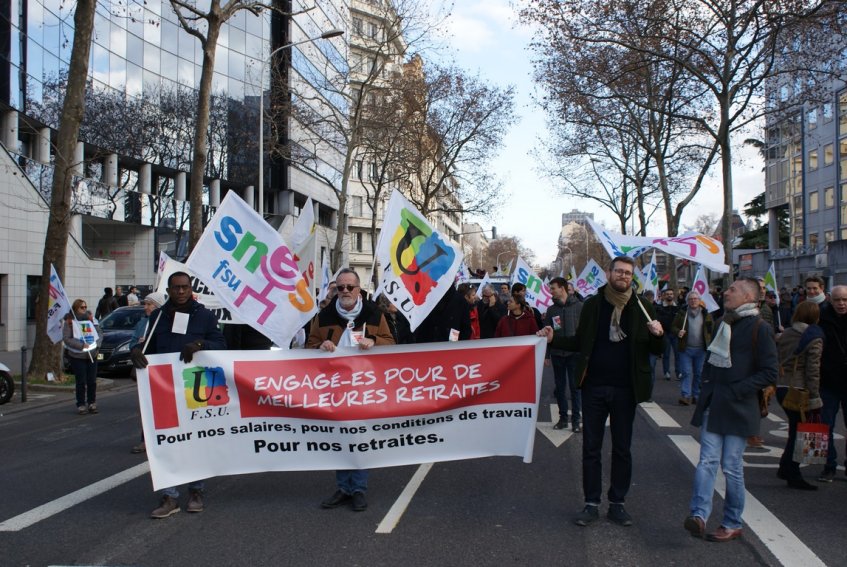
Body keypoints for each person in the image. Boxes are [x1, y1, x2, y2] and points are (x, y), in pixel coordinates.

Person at [539, 256, 665, 527]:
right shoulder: (594, 305)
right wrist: (553, 339)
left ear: (632, 277)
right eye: (619, 271)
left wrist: (658, 336)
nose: (623, 276)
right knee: (591, 448)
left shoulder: (642, 306)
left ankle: (617, 503)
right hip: (594, 387)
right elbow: (579, 342)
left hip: (625, 390)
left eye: (628, 273)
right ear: (608, 273)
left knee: (622, 448)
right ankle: (591, 503)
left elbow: (656, 351)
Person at [683, 277, 778, 543]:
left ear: (748, 297)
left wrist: (737, 390)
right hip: (715, 403)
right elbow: (713, 359)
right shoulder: (724, 322)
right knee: (707, 461)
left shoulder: (760, 328)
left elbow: (769, 372)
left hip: (739, 406)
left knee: (731, 466)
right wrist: (706, 382)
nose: (726, 292)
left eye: (732, 290)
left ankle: (732, 522)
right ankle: (699, 516)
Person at [130, 271, 227, 518]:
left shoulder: (204, 315)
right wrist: (136, 351)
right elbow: (147, 347)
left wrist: (200, 345)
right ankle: (169, 496)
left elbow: (221, 345)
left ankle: (196, 491)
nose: (181, 291)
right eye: (176, 288)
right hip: (164, 389)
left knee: (196, 441)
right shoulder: (159, 317)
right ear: (170, 290)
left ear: (190, 288)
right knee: (166, 443)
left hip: (196, 386)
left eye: (184, 287)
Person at [307, 268, 394, 512]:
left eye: (349, 287)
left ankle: (358, 488)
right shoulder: (323, 316)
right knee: (340, 438)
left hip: (365, 387)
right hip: (334, 387)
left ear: (358, 290)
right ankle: (343, 486)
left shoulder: (374, 314)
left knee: (359, 437)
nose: (344, 291)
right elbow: (309, 345)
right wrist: (320, 346)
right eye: (340, 287)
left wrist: (375, 342)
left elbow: (392, 342)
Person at [776, 300, 824, 490]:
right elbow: (813, 371)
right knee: (799, 433)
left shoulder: (786, 333)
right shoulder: (814, 337)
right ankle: (792, 473)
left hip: (781, 386)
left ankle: (786, 468)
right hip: (799, 389)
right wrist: (815, 396)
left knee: (794, 430)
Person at [127, 291, 168, 454]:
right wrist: (138, 345)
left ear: (158, 306)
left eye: (149, 304)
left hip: (161, 370)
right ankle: (146, 440)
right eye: (145, 303)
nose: (146, 307)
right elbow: (131, 345)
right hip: (145, 370)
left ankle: (164, 437)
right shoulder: (142, 323)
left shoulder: (164, 322)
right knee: (145, 407)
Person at [817, 284, 847, 483]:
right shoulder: (822, 318)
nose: (841, 303)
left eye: (844, 299)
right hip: (828, 382)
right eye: (837, 299)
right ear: (830, 299)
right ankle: (829, 466)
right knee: (825, 426)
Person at [545, 277, 583, 432]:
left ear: (563, 288)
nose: (551, 291)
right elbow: (547, 333)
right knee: (560, 388)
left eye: (553, 288)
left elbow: (585, 332)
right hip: (557, 354)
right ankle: (563, 419)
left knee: (575, 388)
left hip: (575, 354)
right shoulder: (551, 310)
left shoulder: (580, 307)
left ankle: (576, 421)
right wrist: (547, 355)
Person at [672, 291, 715, 406]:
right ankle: (686, 395)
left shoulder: (706, 314)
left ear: (699, 300)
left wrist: (710, 343)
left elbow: (711, 330)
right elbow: (673, 327)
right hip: (685, 349)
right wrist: (678, 332)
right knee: (686, 372)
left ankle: (696, 395)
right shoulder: (682, 313)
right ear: (687, 301)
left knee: (699, 373)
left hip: (701, 349)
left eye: (695, 299)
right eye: (690, 299)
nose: (693, 301)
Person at [63, 299, 102, 415]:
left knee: (92, 381)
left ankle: (92, 402)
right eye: (81, 307)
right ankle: (80, 404)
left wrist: (97, 345)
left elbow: (99, 333)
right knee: (81, 381)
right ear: (76, 309)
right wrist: (81, 345)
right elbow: (67, 338)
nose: (84, 309)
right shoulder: (70, 321)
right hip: (77, 355)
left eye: (85, 307)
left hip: (92, 354)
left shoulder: (91, 319)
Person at [655, 288, 680, 381]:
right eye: (667, 294)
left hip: (675, 334)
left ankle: (678, 372)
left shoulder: (678, 307)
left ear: (673, 296)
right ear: (664, 296)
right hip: (665, 334)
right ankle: (667, 372)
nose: (669, 295)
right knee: (666, 354)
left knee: (678, 354)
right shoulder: (659, 308)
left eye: (671, 294)